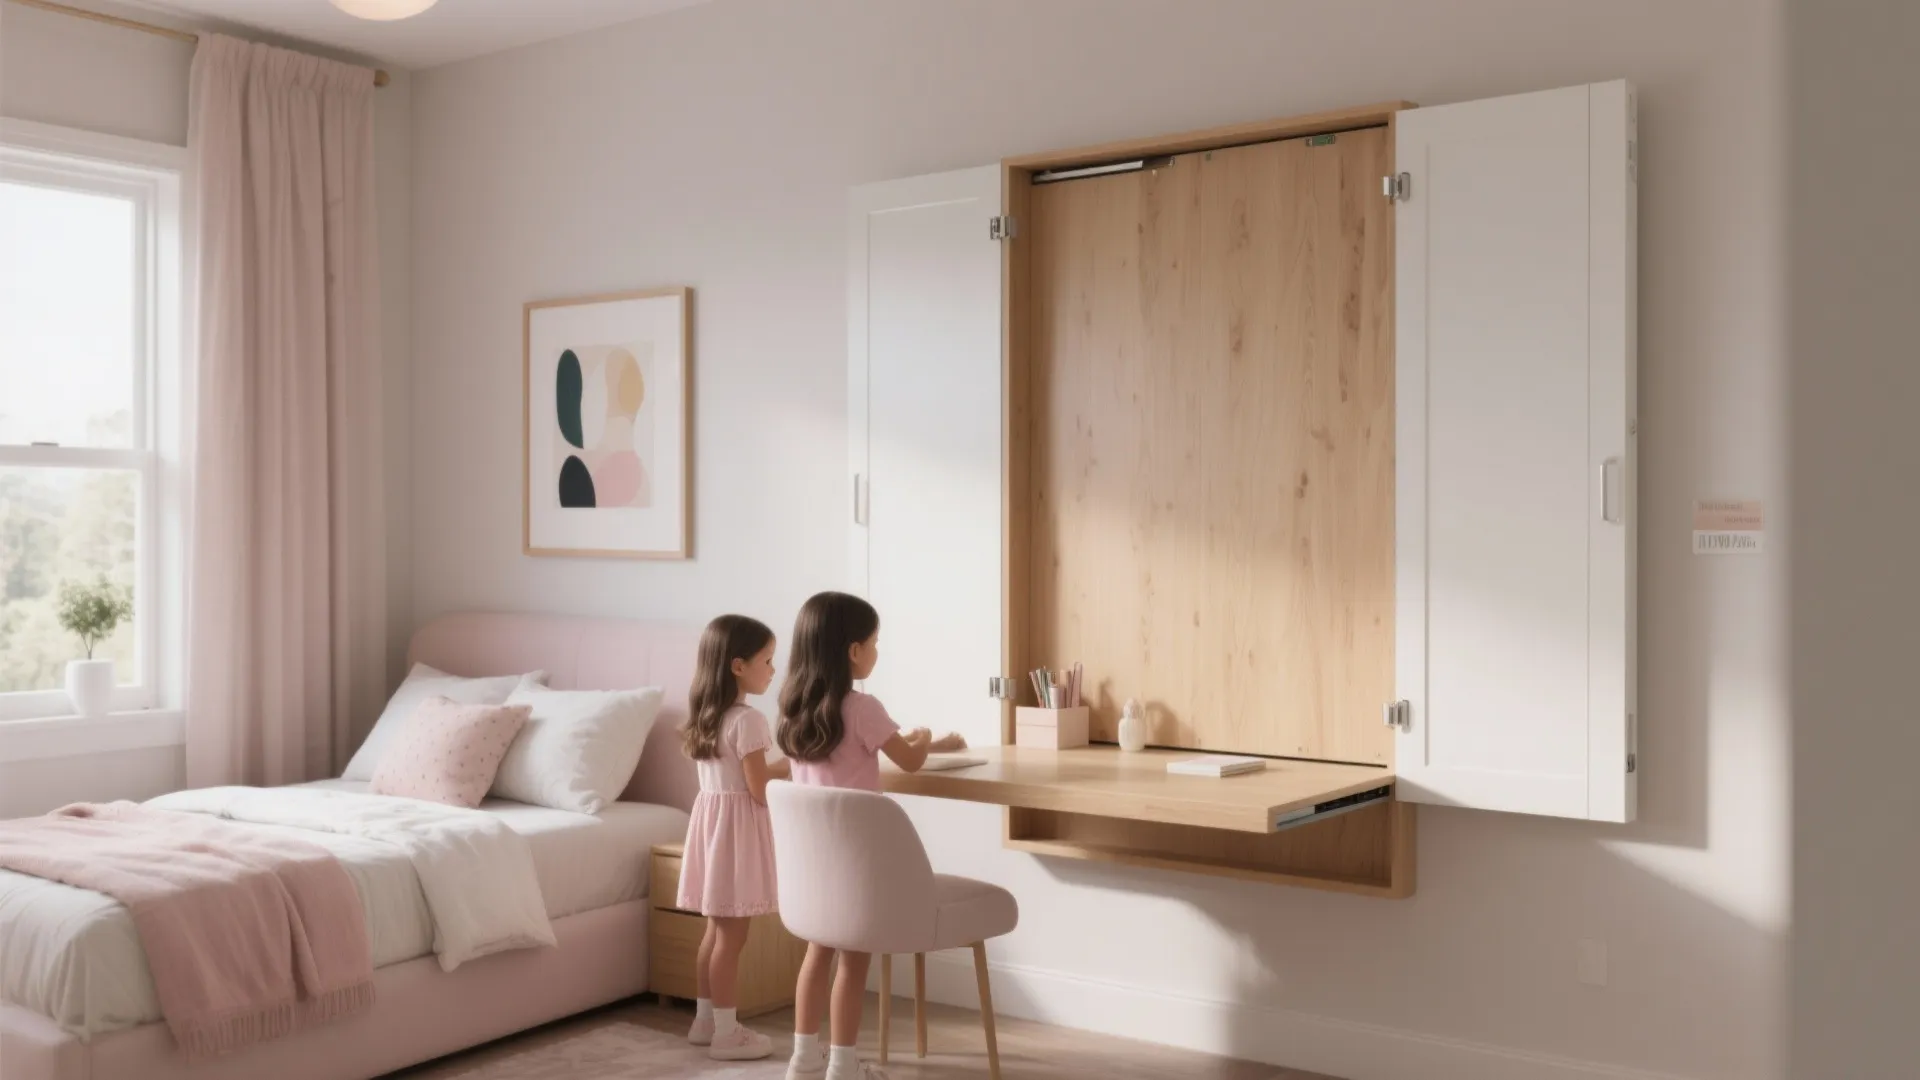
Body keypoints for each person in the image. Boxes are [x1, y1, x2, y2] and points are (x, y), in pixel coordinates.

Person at [777, 591, 961, 1080]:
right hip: (859, 869)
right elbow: (910, 759)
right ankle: (842, 1064)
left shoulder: (795, 711)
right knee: (854, 959)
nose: (877, 652)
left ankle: (802, 1058)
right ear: (853, 651)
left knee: (818, 954)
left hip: (813, 870)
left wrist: (927, 740)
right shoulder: (862, 707)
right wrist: (925, 737)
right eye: (875, 643)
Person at [678, 614, 786, 1061]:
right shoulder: (749, 720)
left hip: (711, 830)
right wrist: (791, 766)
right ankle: (728, 1032)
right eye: (768, 660)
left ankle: (705, 1021)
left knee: (714, 934)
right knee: (731, 940)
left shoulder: (707, 716)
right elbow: (758, 789)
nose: (773, 670)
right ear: (738, 665)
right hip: (736, 837)